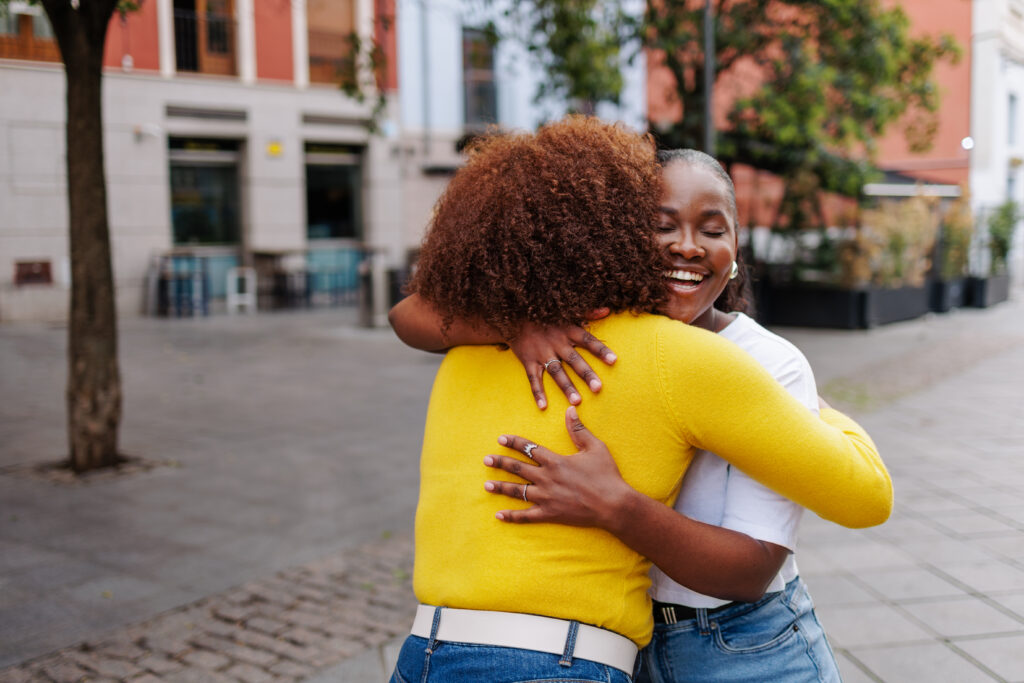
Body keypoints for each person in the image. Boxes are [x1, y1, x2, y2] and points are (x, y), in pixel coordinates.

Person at [388, 117, 891, 683]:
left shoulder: (465, 347)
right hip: (570, 657)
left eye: (711, 228)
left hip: (424, 654)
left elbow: (409, 315)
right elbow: (866, 494)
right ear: (614, 232)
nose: (686, 245)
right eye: (659, 225)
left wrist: (514, 321)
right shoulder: (675, 356)